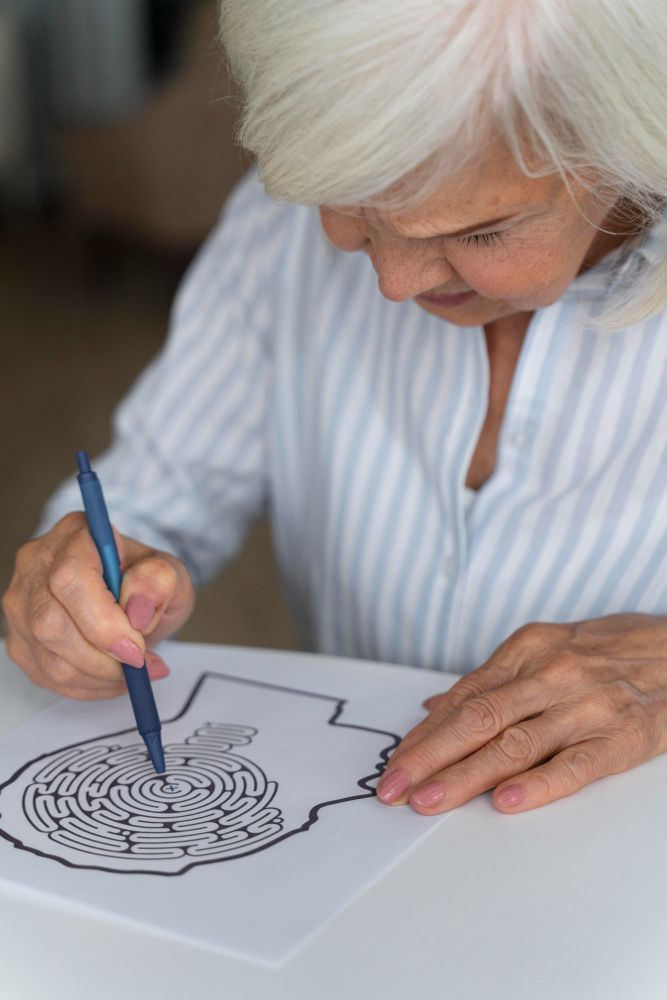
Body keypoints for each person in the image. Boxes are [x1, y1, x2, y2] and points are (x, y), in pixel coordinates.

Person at [4, 0, 667, 817]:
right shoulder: (281, 219)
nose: (394, 282)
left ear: (634, 140)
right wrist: (80, 587)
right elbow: (154, 490)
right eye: (353, 210)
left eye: (482, 231)